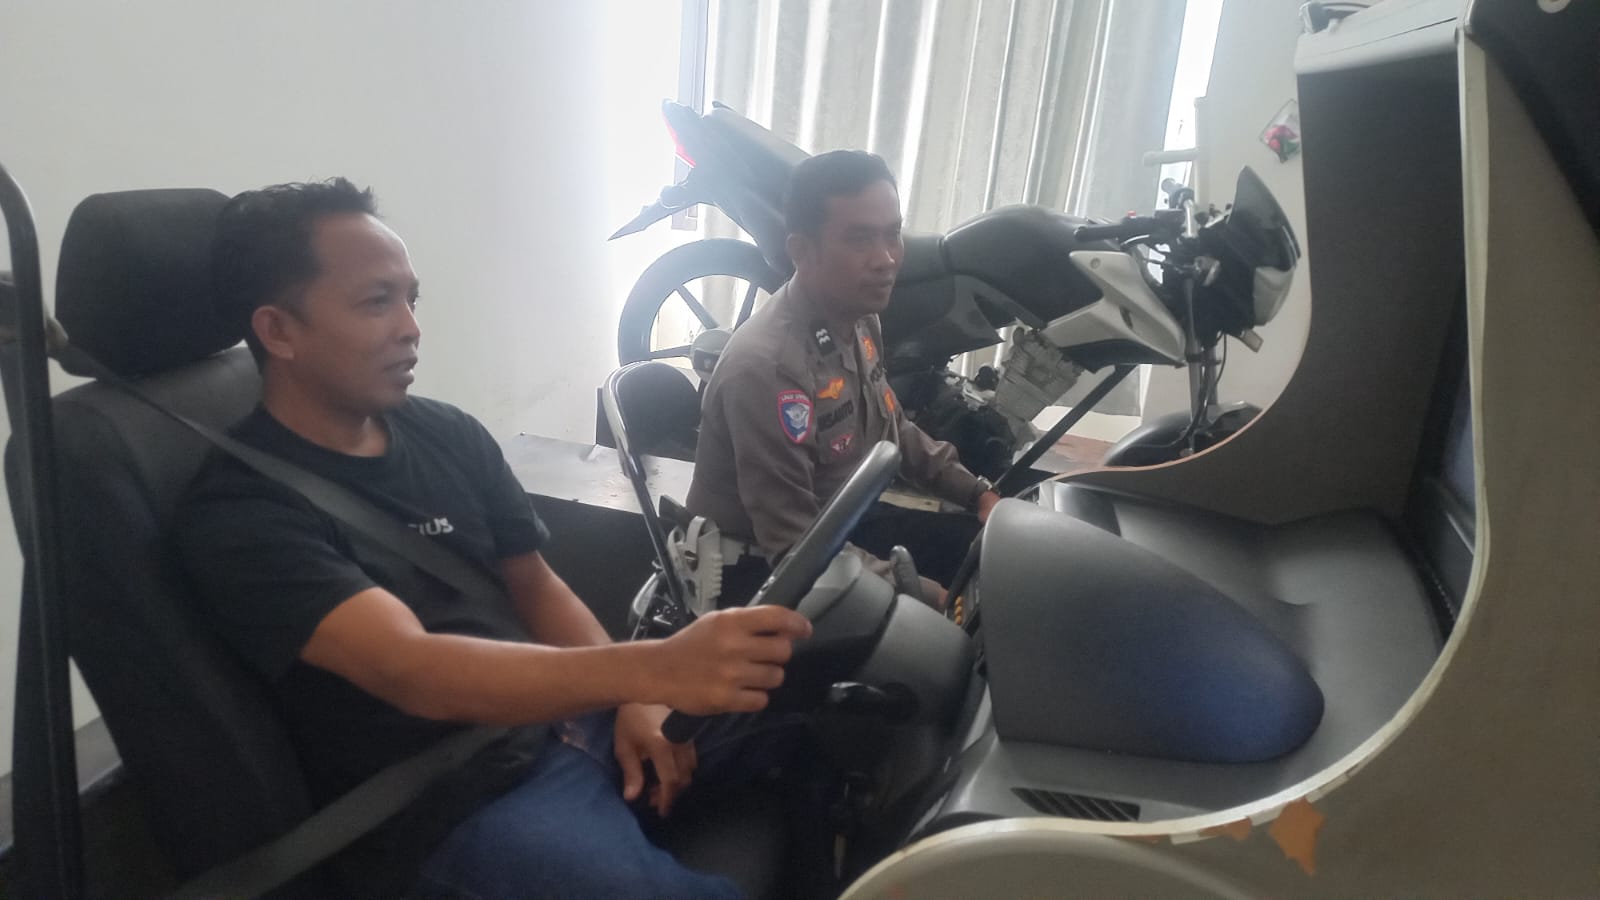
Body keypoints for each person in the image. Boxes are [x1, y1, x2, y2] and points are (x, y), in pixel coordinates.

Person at [173, 178, 812, 899]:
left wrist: (631, 703)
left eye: (412, 300)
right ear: (279, 331)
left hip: (564, 719)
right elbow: (412, 669)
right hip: (458, 795)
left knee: (834, 709)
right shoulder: (242, 513)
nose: (411, 327)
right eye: (376, 303)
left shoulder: (446, 433)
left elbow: (535, 586)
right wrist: (650, 671)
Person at [687, 151, 1000, 605]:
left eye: (892, 234)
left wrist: (977, 494)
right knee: (960, 611)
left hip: (842, 519)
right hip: (759, 577)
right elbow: (795, 549)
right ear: (802, 251)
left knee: (986, 553)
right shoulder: (767, 370)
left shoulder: (858, 319)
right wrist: (917, 592)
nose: (886, 259)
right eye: (859, 239)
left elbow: (893, 424)